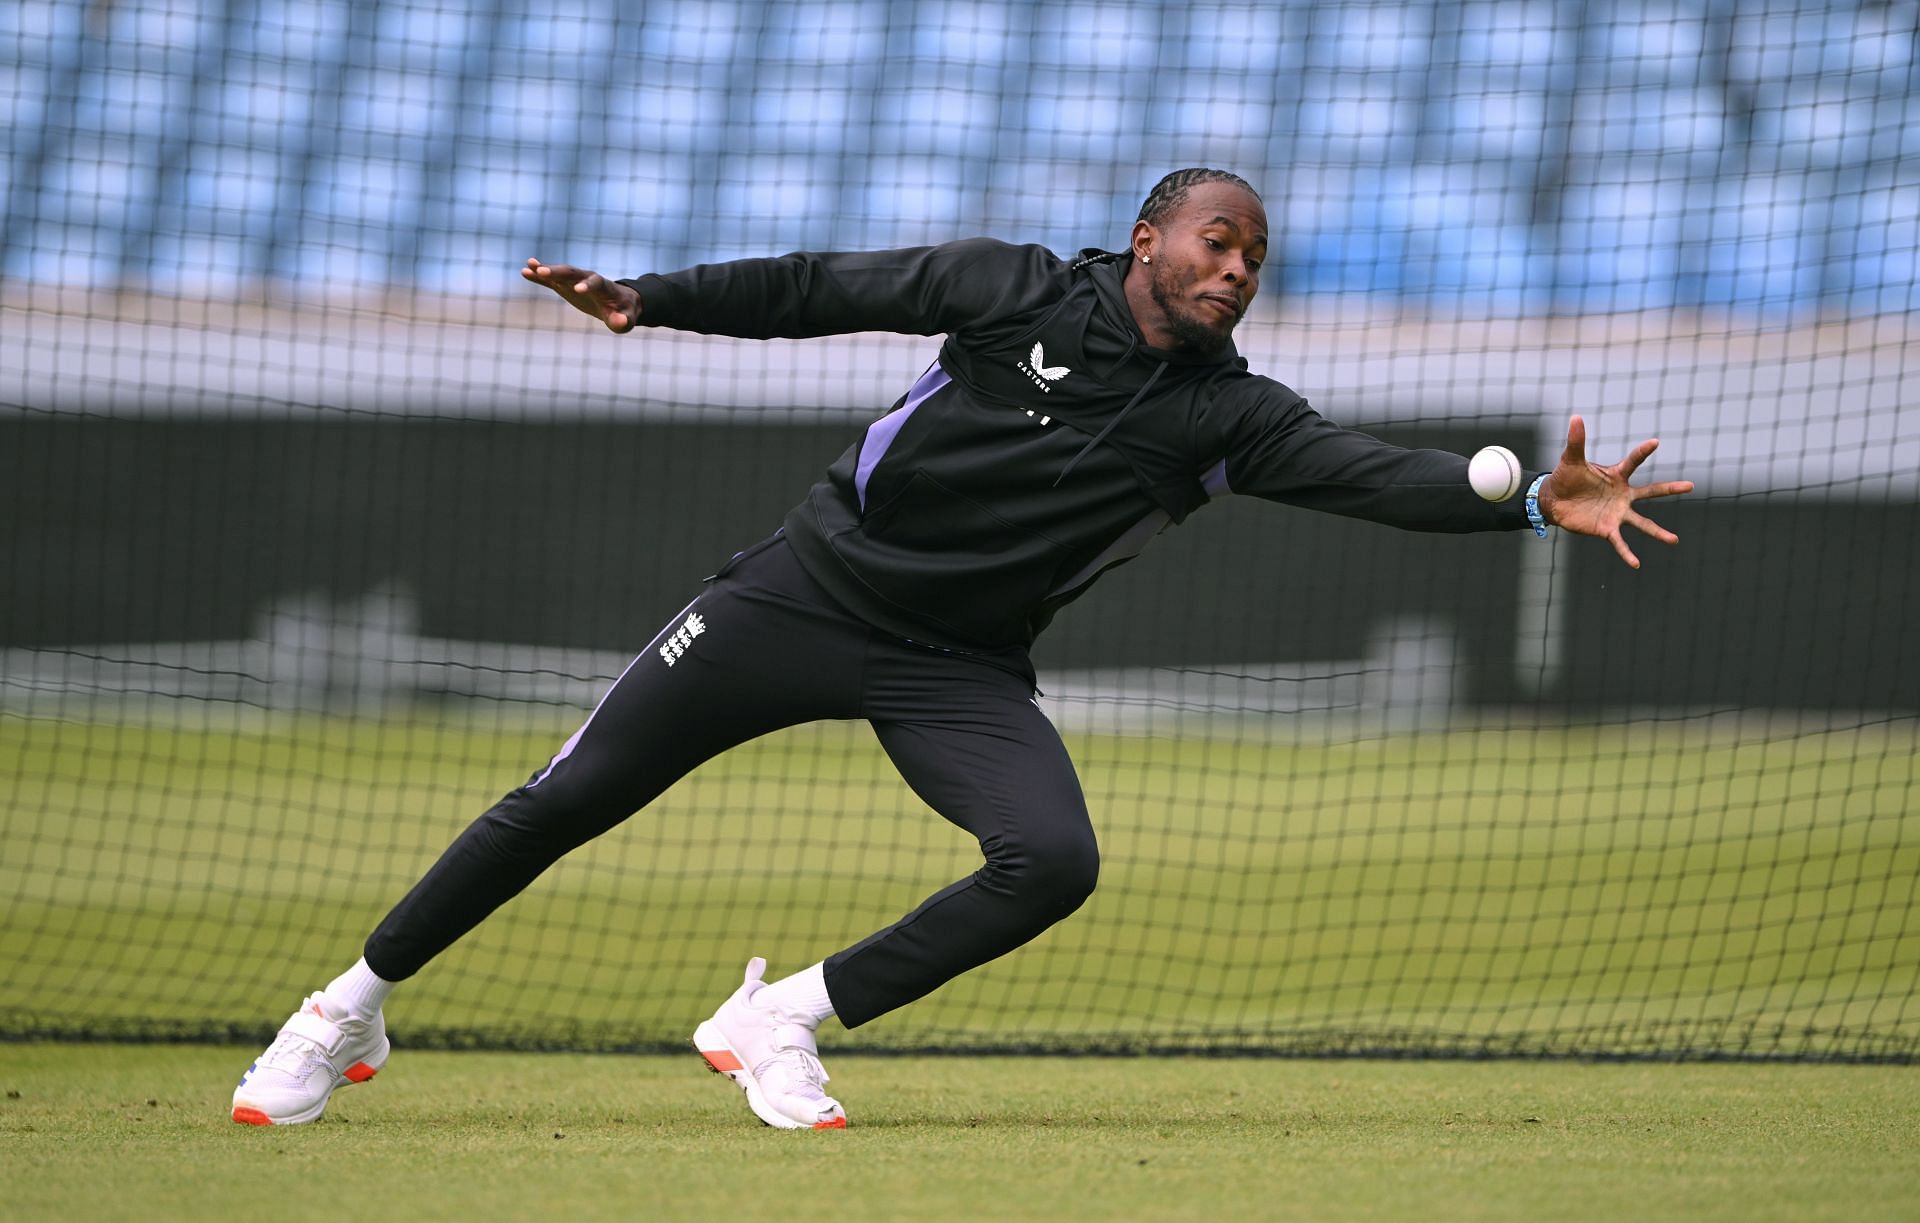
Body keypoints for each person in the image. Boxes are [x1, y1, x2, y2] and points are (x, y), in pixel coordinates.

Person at [231, 168, 1692, 1130]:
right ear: (1150, 239)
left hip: (957, 667)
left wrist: (1532, 515)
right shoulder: (1010, 289)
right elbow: (824, 288)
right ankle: (343, 1017)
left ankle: (778, 1016)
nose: (1237, 268)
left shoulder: (1232, 419)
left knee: (1052, 861)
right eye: (1216, 241)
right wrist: (652, 299)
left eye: (1255, 255)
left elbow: (1380, 477)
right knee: (565, 799)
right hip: (799, 594)